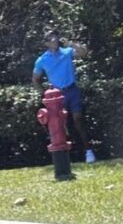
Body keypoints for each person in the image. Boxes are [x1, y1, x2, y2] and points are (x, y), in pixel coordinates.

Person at [31, 30, 96, 163]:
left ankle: (88, 151)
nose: (54, 40)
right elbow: (35, 79)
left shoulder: (66, 52)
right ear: (46, 43)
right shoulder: (42, 60)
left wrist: (71, 43)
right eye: (51, 38)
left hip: (72, 90)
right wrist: (45, 94)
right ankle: (67, 155)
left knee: (77, 119)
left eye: (55, 37)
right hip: (57, 95)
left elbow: (84, 53)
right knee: (60, 125)